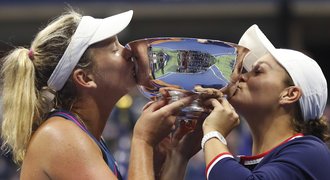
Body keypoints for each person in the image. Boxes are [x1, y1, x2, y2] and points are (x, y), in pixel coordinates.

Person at [0, 8, 198, 179]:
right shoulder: (60, 136)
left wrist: (177, 155)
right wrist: (143, 141)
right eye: (114, 49)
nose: (128, 51)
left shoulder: (81, 134)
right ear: (85, 78)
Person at [200, 24, 330, 179]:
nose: (241, 77)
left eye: (258, 71)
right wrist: (179, 155)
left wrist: (213, 133)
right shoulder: (244, 163)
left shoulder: (310, 151)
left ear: (289, 94)